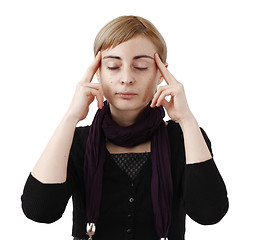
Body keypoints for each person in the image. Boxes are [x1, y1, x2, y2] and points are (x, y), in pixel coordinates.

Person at [21, 15, 229, 240]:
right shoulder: (77, 140)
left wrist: (186, 119)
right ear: (98, 71)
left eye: (141, 66)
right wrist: (71, 117)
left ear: (161, 73)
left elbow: (209, 213)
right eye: (113, 66)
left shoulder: (184, 138)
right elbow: (39, 211)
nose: (127, 78)